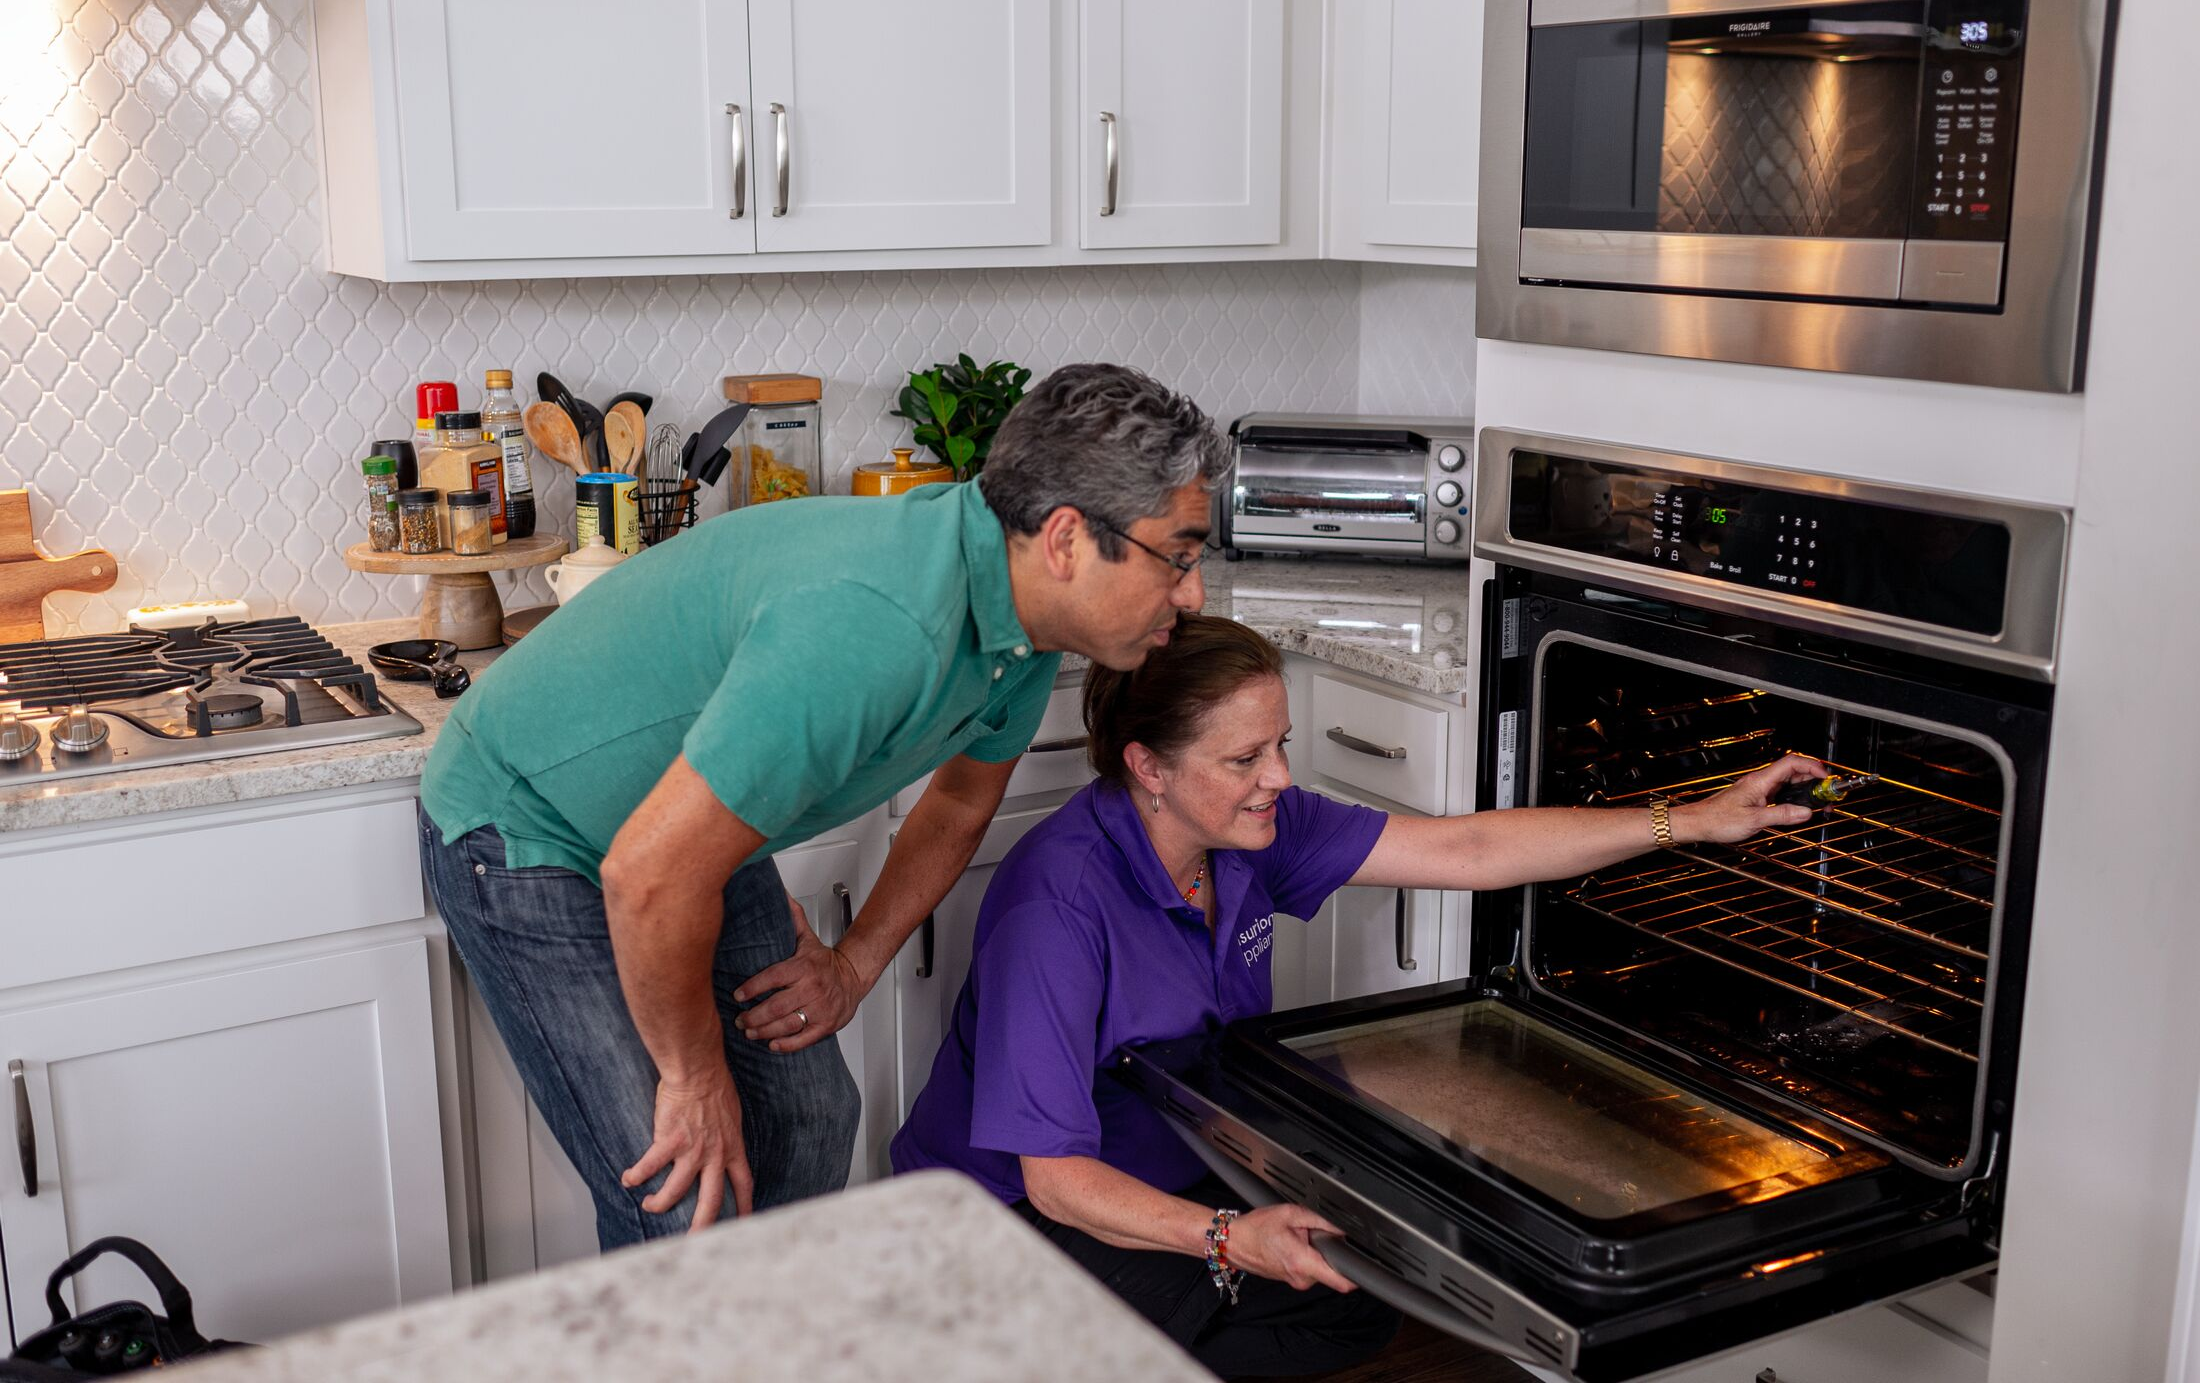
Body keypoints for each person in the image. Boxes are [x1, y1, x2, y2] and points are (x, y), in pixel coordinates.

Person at [416, 362, 1232, 1249]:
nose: (1191, 594)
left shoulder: (1024, 626)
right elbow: (648, 876)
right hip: (532, 821)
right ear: (1067, 539)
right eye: (1178, 558)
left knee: (808, 1124)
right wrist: (693, 1080)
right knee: (683, 1193)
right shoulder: (873, 628)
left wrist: (852, 965)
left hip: (680, 832)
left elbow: (959, 803)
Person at [890, 613, 1830, 1378]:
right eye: (1246, 759)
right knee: (1175, 1323)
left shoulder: (1250, 829)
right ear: (1148, 767)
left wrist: (1691, 820)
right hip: (1012, 1217)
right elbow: (1056, 1182)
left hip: (1171, 1168)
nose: (1281, 779)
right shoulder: (1058, 904)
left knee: (1358, 1308)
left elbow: (1467, 850)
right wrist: (1229, 1239)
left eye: (1282, 746)